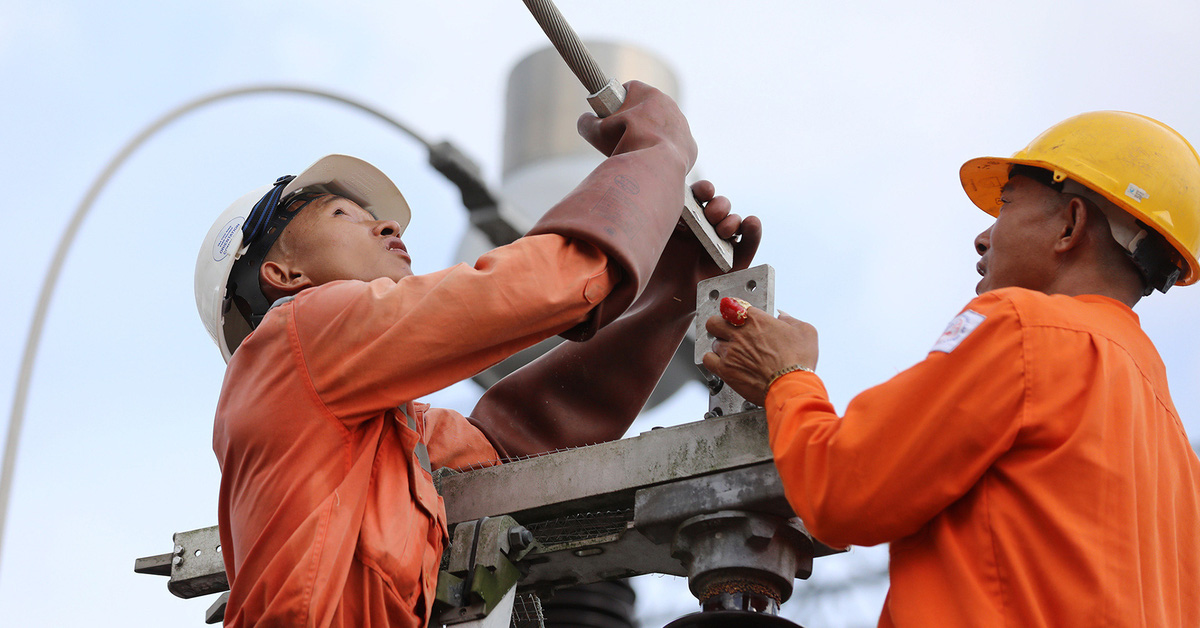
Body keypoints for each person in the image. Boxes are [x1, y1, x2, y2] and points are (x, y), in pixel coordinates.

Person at [193, 81, 762, 628]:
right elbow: (548, 283)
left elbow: (518, 444)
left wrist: (671, 293)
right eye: (344, 215)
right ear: (282, 275)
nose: (388, 224)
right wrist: (657, 155)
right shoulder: (298, 330)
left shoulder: (380, 436)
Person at [701, 111, 1200, 627]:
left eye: (1005, 207)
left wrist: (787, 376)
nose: (984, 238)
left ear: (1071, 225)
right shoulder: (1176, 454)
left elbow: (845, 491)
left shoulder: (1024, 329)